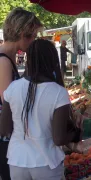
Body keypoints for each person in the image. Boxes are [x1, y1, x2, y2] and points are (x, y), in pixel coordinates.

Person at [0, 39, 81, 180]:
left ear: (28, 60)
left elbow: (4, 129)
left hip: (17, 162)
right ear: (53, 60)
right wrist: (76, 133)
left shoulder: (13, 88)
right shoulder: (58, 92)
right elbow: (59, 138)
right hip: (47, 164)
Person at [0, 7, 43, 180]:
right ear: (22, 33)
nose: (34, 41)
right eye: (33, 35)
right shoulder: (3, 61)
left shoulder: (7, 58)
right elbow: (9, 103)